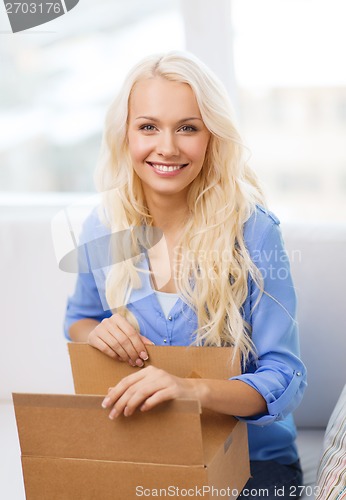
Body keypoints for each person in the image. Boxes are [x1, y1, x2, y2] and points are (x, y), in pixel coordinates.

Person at [64, 51, 307, 499]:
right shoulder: (104, 226)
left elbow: (286, 378)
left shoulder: (255, 232)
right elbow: (78, 320)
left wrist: (189, 389)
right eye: (148, 126)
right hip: (145, 450)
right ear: (125, 135)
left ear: (212, 136)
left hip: (255, 462)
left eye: (188, 128)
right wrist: (99, 333)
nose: (168, 147)